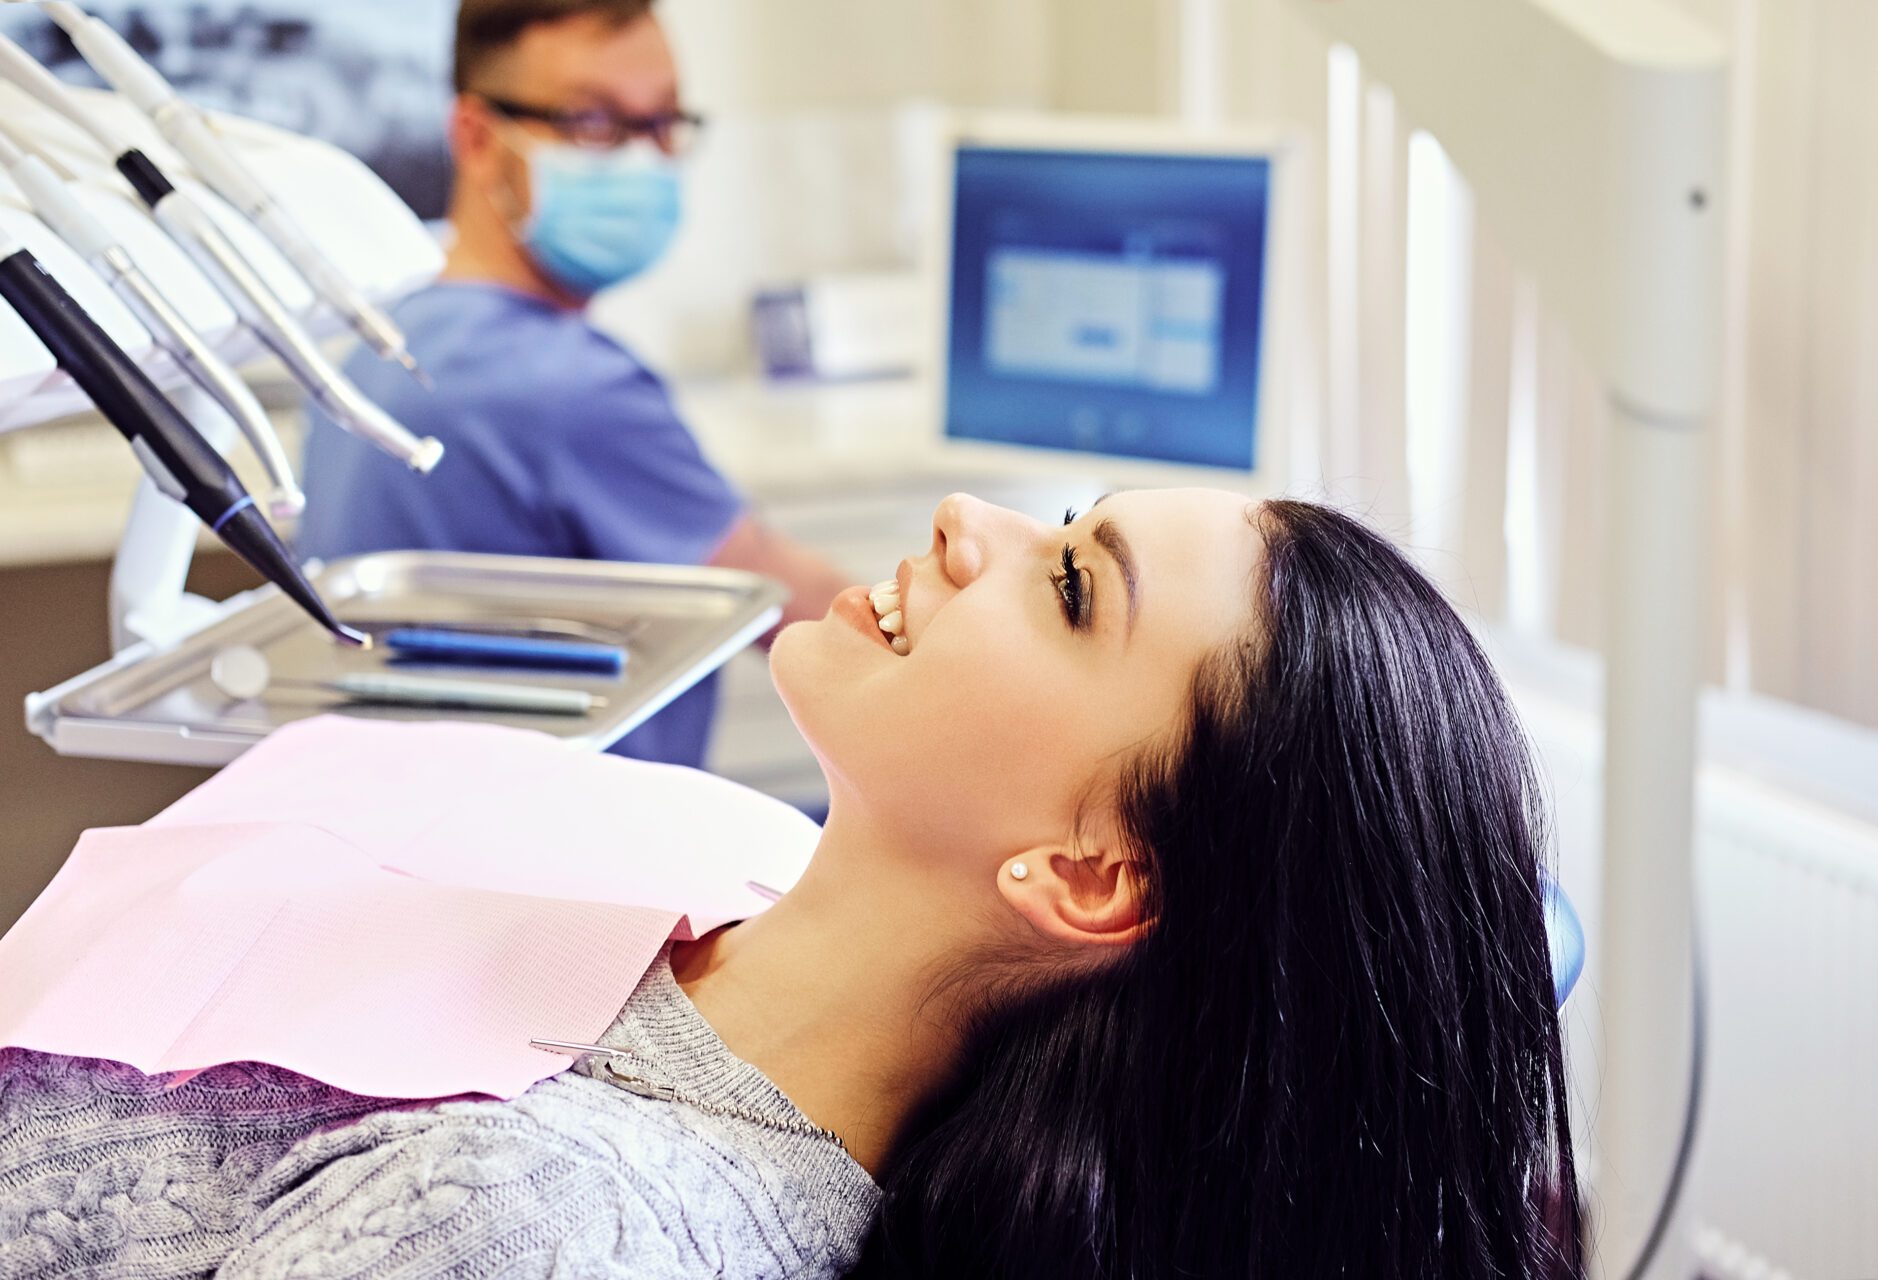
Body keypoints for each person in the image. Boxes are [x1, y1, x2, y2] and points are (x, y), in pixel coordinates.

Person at [0, 491, 1584, 1279]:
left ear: (1090, 877)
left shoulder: (550, 1226)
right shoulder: (732, 856)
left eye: (1072, 586)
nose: (971, 522)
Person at [298, 0, 847, 769]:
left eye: (662, 122)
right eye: (594, 123)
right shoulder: (566, 388)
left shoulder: (382, 346)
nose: (641, 159)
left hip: (419, 837)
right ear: (477, 138)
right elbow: (820, 630)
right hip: (585, 862)